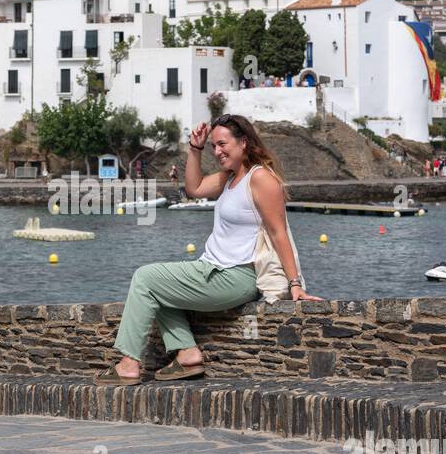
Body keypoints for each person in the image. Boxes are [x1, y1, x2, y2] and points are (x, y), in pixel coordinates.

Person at [97, 115, 321, 385]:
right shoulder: (230, 177)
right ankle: (187, 353)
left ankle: (129, 363)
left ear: (244, 142)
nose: (217, 152)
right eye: (213, 146)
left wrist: (294, 283)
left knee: (145, 278)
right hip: (212, 269)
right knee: (157, 287)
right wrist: (195, 149)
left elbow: (278, 232)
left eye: (222, 144)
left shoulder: (260, 178)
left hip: (236, 275)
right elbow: (194, 189)